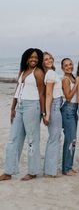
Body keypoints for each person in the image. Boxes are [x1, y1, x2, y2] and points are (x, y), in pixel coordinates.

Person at [0, 48, 45, 181]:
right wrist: (12, 108)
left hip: (32, 107)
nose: (33, 59)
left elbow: (42, 93)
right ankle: (8, 171)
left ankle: (32, 171)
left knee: (32, 140)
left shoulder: (38, 73)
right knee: (13, 139)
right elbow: (17, 90)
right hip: (19, 106)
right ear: (26, 58)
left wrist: (43, 113)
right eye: (31, 57)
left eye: (36, 58)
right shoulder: (23, 71)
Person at [43, 51, 63, 177]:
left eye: (50, 58)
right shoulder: (50, 74)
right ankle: (50, 171)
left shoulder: (51, 72)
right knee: (54, 139)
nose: (49, 60)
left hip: (56, 106)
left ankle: (49, 169)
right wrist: (48, 114)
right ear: (43, 62)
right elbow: (49, 95)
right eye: (46, 59)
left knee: (53, 138)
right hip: (54, 107)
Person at [61, 58, 79, 175]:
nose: (69, 66)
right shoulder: (66, 79)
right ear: (62, 68)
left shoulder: (73, 77)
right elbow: (68, 97)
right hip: (68, 109)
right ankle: (66, 169)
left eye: (70, 64)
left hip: (74, 109)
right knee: (70, 140)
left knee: (73, 140)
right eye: (66, 65)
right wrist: (76, 85)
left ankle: (69, 166)